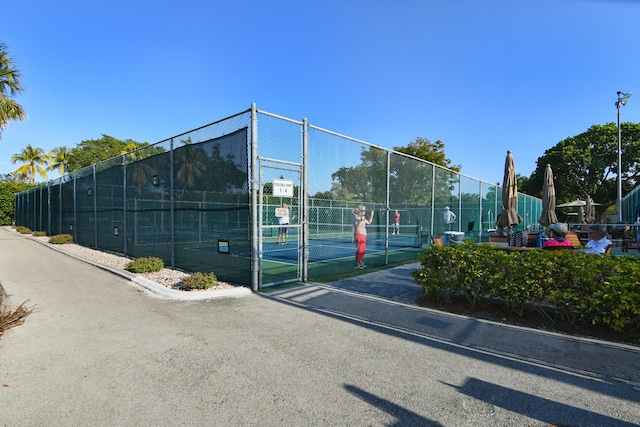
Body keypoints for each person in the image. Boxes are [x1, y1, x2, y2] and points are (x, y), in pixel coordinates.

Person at [352, 205, 374, 269]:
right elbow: (357, 227)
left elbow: (369, 222)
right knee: (360, 249)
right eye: (362, 210)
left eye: (364, 210)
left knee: (363, 250)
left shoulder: (362, 218)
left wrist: (371, 215)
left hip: (363, 235)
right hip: (359, 234)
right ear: (359, 211)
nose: (364, 212)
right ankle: (357, 263)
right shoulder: (357, 218)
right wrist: (361, 220)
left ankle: (360, 262)